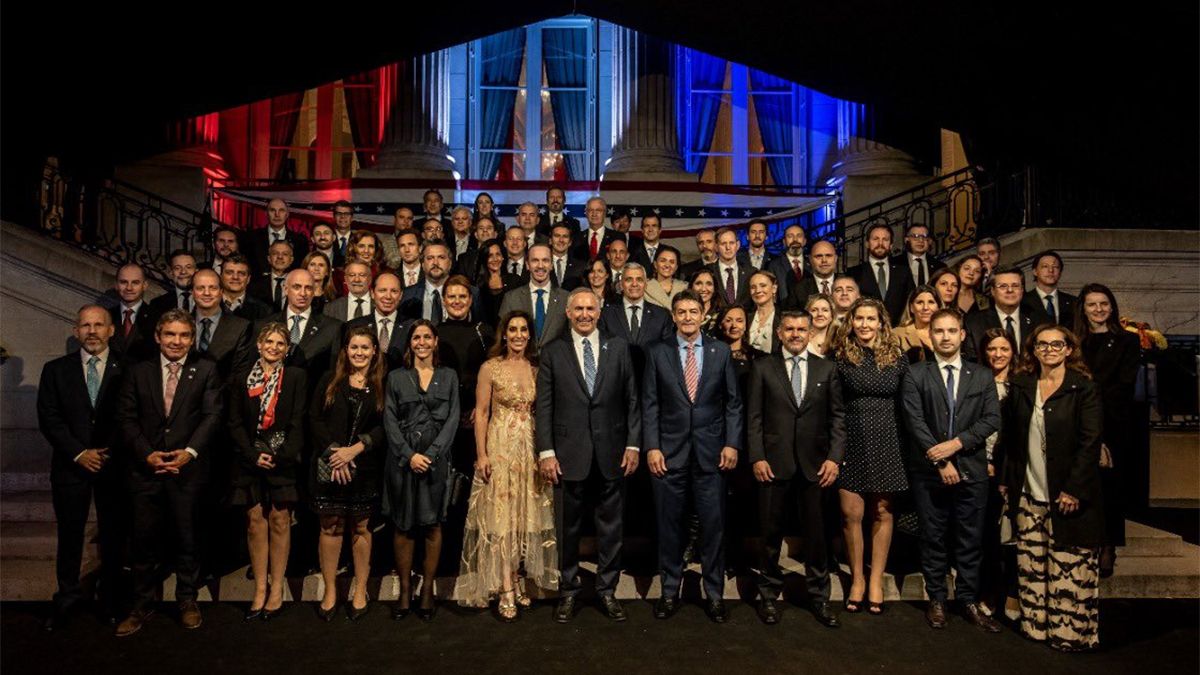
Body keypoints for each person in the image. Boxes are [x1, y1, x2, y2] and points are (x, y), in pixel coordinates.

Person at [115, 309, 223, 636]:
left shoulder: (206, 370)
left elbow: (212, 416)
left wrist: (189, 453)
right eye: (170, 334)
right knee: (143, 541)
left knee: (187, 539)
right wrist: (147, 454)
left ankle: (187, 600)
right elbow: (126, 417)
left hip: (187, 472)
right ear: (158, 337)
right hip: (145, 470)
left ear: (192, 339)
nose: (177, 341)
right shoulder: (138, 372)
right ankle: (141, 604)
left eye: (184, 335)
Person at [537, 289, 641, 623]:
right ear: (568, 313)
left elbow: (632, 399)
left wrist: (633, 444)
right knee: (567, 529)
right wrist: (546, 452)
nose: (585, 314)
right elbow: (544, 406)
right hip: (568, 454)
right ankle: (568, 591)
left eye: (590, 309)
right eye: (578, 308)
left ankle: (607, 590)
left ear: (599, 312)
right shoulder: (553, 351)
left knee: (611, 528)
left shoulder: (619, 347)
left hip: (613, 452)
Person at [1000, 324, 1104, 652]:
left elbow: (1090, 442)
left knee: (1069, 565)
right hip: (1029, 491)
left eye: (1057, 344)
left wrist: (1074, 488)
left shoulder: (1083, 388)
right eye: (1042, 345)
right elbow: (1010, 438)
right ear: (1033, 351)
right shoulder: (1022, 386)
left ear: (1069, 349)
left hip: (1068, 494)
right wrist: (1006, 480)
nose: (1049, 350)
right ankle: (1037, 627)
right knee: (1032, 564)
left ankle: (1070, 634)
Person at [642, 290, 743, 623]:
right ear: (673, 316)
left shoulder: (720, 351)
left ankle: (714, 595)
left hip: (712, 454)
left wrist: (731, 444)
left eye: (693, 311)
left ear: (703, 315)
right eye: (681, 312)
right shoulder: (657, 352)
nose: (687, 317)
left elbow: (733, 403)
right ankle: (669, 592)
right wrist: (652, 446)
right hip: (668, 454)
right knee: (670, 527)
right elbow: (650, 403)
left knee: (713, 528)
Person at [901, 308, 1002, 632]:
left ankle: (968, 599)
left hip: (971, 470)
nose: (945, 337)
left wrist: (956, 445)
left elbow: (991, 419)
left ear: (962, 335)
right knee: (933, 537)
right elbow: (914, 421)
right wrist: (941, 461)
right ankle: (937, 599)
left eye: (951, 331)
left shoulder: (981, 375)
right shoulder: (916, 373)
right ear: (930, 336)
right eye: (939, 331)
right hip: (929, 471)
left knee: (970, 538)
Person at [456, 312, 558, 620]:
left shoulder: (536, 368)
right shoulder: (491, 368)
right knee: (501, 520)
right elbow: (481, 413)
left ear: (529, 335)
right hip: (500, 448)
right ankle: (505, 589)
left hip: (529, 450)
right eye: (512, 329)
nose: (518, 334)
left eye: (523, 330)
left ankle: (515, 578)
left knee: (521, 519)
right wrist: (482, 454)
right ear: (505, 334)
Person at [747, 310, 845, 627]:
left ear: (810, 332)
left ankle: (819, 598)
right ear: (779, 333)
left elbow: (837, 419)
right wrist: (757, 457)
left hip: (816, 466)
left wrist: (834, 458)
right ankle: (767, 595)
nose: (795, 334)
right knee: (769, 535)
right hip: (772, 464)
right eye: (789, 329)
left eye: (801, 329)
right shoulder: (763, 367)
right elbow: (754, 418)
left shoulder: (827, 368)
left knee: (817, 537)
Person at [37, 305, 127, 630]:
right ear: (76, 331)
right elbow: (49, 417)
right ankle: (67, 598)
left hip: (112, 466)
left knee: (114, 536)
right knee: (70, 535)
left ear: (111, 330)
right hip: (70, 467)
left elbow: (131, 416)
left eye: (98, 325)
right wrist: (79, 453)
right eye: (86, 325)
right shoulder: (55, 370)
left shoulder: (128, 368)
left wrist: (105, 452)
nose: (92, 331)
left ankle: (111, 600)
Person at [833, 298, 908, 615]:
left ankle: (876, 579)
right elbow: (834, 405)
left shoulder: (898, 358)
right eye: (859, 318)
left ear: (881, 323)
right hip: (850, 439)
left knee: (882, 512)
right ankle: (858, 580)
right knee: (851, 513)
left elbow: (906, 405)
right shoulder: (840, 357)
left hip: (888, 440)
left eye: (870, 319)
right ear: (851, 322)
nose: (864, 324)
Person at [228, 323, 307, 621]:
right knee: (255, 522)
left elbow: (299, 421)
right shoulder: (241, 378)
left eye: (280, 343)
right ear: (259, 345)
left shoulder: (296, 377)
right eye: (269, 342)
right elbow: (234, 422)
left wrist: (280, 456)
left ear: (287, 349)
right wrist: (253, 455)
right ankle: (260, 588)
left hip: (281, 460)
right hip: (249, 459)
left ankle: (277, 588)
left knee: (280, 520)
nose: (274, 347)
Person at [309, 326, 387, 622]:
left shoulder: (382, 383)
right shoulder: (329, 379)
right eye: (354, 347)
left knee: (361, 528)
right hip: (330, 465)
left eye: (365, 347)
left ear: (374, 351)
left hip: (364, 466)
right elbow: (314, 419)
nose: (359, 352)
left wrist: (354, 450)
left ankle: (360, 589)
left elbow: (384, 427)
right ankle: (330, 590)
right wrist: (335, 454)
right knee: (330, 526)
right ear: (345, 350)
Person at [384, 321, 461, 622]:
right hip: (403, 460)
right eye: (416, 337)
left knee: (432, 525)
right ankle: (405, 591)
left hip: (435, 461)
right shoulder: (396, 377)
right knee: (403, 525)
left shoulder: (449, 376)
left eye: (427, 337)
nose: (422, 342)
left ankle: (427, 589)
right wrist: (409, 455)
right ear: (409, 343)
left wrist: (430, 455)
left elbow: (453, 418)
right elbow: (389, 420)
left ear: (436, 341)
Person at [1075, 283, 1141, 577]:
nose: (1098, 309)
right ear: (1083, 309)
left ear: (1112, 307)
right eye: (1092, 304)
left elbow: (1123, 385)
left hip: (1114, 422)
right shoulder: (1074, 341)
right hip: (1077, 420)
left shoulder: (1128, 340)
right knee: (1083, 484)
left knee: (1111, 487)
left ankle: (1108, 546)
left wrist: (1099, 432)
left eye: (1104, 303)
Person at [435, 275, 495, 572]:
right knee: (447, 492)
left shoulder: (484, 332)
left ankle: (477, 558)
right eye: (452, 297)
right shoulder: (434, 332)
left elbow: (495, 375)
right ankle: (447, 559)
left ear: (471, 300)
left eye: (462, 296)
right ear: (443, 301)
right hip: (443, 425)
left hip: (477, 424)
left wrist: (481, 409)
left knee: (477, 491)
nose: (457, 301)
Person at [980, 328, 1020, 620]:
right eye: (992, 349)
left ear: (1013, 351)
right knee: (988, 536)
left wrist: (1005, 468)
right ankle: (989, 591)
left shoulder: (1021, 384)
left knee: (1014, 536)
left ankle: (1013, 594)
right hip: (982, 466)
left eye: (1004, 349)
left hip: (1013, 467)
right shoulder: (977, 381)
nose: (998, 354)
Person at [259, 269, 343, 383]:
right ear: (286, 289)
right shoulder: (264, 325)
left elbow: (334, 371)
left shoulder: (332, 327)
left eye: (308, 288)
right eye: (297, 287)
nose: (303, 293)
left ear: (314, 292)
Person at [598, 262, 673, 373]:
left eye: (639, 280)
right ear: (621, 284)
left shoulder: (662, 315)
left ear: (646, 284)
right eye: (629, 280)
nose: (634, 284)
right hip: (616, 378)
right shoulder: (606, 315)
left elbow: (667, 354)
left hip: (650, 378)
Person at [964, 266, 1050, 361]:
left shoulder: (1041, 319)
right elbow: (972, 362)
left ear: (1022, 290)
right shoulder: (974, 322)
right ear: (993, 291)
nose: (1010, 290)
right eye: (1003, 286)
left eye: (1015, 286)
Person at [498, 244, 569, 348]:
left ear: (551, 265)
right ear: (527, 265)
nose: (540, 266)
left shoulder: (566, 298)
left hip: (556, 357)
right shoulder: (511, 298)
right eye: (535, 260)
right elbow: (502, 336)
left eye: (545, 260)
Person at [191, 269, 254, 384]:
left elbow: (239, 374)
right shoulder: (180, 324)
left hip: (223, 393)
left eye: (213, 288)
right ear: (192, 292)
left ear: (221, 291)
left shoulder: (241, 327)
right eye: (200, 288)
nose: (207, 293)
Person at [848, 224, 911, 326]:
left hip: (897, 330)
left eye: (885, 239)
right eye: (875, 239)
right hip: (865, 328)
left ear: (891, 245)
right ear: (867, 243)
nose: (880, 243)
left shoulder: (903, 272)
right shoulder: (854, 273)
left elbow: (910, 301)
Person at [344, 272, 408, 371]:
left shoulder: (410, 326)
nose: (388, 296)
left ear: (400, 295)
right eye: (382, 290)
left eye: (394, 291)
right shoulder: (354, 326)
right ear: (372, 293)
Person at [110, 263, 158, 363]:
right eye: (123, 282)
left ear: (145, 285)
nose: (129, 288)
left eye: (135, 283)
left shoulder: (156, 317)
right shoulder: (106, 316)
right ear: (116, 285)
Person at [399, 240, 454, 326]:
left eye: (441, 257)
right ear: (423, 264)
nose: (435, 263)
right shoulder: (407, 295)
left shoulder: (471, 293)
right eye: (430, 258)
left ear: (450, 263)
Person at [250, 198, 308, 275]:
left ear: (287, 214)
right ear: (266, 214)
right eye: (272, 210)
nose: (277, 214)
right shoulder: (251, 237)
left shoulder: (300, 241)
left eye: (281, 210)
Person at [474, 239, 523, 326]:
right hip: (487, 331)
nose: (495, 259)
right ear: (484, 259)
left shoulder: (515, 281)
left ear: (503, 257)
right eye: (490, 255)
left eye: (498, 254)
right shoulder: (479, 285)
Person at [1023, 250, 1076, 326]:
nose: (1051, 270)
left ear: (1060, 272)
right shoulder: (1023, 302)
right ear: (1035, 271)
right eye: (1045, 266)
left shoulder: (1073, 302)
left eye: (1055, 267)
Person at [708, 228, 754, 307]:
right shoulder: (708, 272)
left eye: (731, 243)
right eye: (723, 244)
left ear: (738, 245)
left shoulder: (751, 272)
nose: (728, 247)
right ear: (716, 247)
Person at [221, 254, 273, 323]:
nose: (235, 277)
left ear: (248, 279)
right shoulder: (209, 305)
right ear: (221, 276)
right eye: (229, 273)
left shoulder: (264, 311)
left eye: (241, 273)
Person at [894, 285, 939, 363]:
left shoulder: (946, 333)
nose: (925, 307)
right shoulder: (897, 334)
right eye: (920, 302)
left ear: (938, 307)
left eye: (931, 302)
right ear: (911, 307)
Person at [893, 223, 946, 288]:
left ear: (930, 241)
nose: (920, 240)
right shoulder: (894, 263)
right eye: (915, 236)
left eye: (924, 236)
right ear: (906, 239)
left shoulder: (939, 267)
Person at [573, 196, 625, 261]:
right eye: (590, 210)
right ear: (586, 213)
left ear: (604, 213)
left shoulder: (617, 237)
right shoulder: (576, 238)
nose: (594, 214)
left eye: (598, 210)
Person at [148, 249, 197, 316]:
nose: (183, 272)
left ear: (196, 271)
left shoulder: (208, 299)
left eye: (188, 267)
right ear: (171, 272)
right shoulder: (157, 304)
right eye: (177, 268)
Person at [248, 241, 294, 312]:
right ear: (269, 258)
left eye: (285, 254)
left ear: (291, 260)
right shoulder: (255, 285)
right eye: (275, 253)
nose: (280, 257)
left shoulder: (298, 284)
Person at [769, 225, 809, 305]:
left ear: (804, 241)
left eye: (799, 236)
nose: (795, 240)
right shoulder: (774, 265)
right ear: (784, 242)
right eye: (790, 236)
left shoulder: (812, 263)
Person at [745, 270, 781, 355]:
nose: (757, 290)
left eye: (763, 285)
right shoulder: (745, 316)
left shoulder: (783, 317)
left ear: (774, 288)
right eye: (753, 287)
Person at [689, 267, 726, 336]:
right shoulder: (683, 313)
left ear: (714, 288)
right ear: (691, 286)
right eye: (698, 283)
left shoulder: (722, 315)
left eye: (709, 284)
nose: (703, 289)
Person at [549, 223, 583, 289]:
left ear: (570, 242)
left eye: (565, 236)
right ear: (550, 240)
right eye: (557, 236)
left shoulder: (580, 267)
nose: (561, 240)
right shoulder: (542, 264)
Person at [804, 293, 835, 358]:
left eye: (825, 310)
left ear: (831, 316)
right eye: (814, 310)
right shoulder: (800, 342)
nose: (820, 314)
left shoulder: (838, 343)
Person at [330, 200, 355, 268]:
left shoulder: (358, 240)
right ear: (334, 216)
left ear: (352, 218)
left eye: (346, 214)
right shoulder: (327, 239)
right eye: (339, 213)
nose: (343, 217)